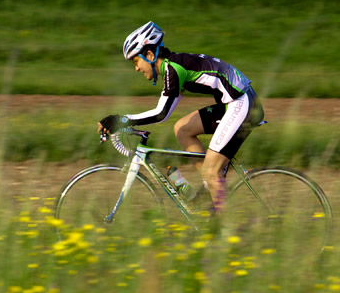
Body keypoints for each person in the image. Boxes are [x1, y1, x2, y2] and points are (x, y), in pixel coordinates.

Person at [98, 21, 264, 214]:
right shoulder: (173, 67)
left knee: (212, 171)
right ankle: (208, 191)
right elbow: (165, 110)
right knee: (182, 128)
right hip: (235, 102)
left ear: (150, 55)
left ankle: (225, 232)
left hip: (242, 104)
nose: (136, 68)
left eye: (136, 61)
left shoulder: (174, 68)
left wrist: (121, 120)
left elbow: (161, 114)